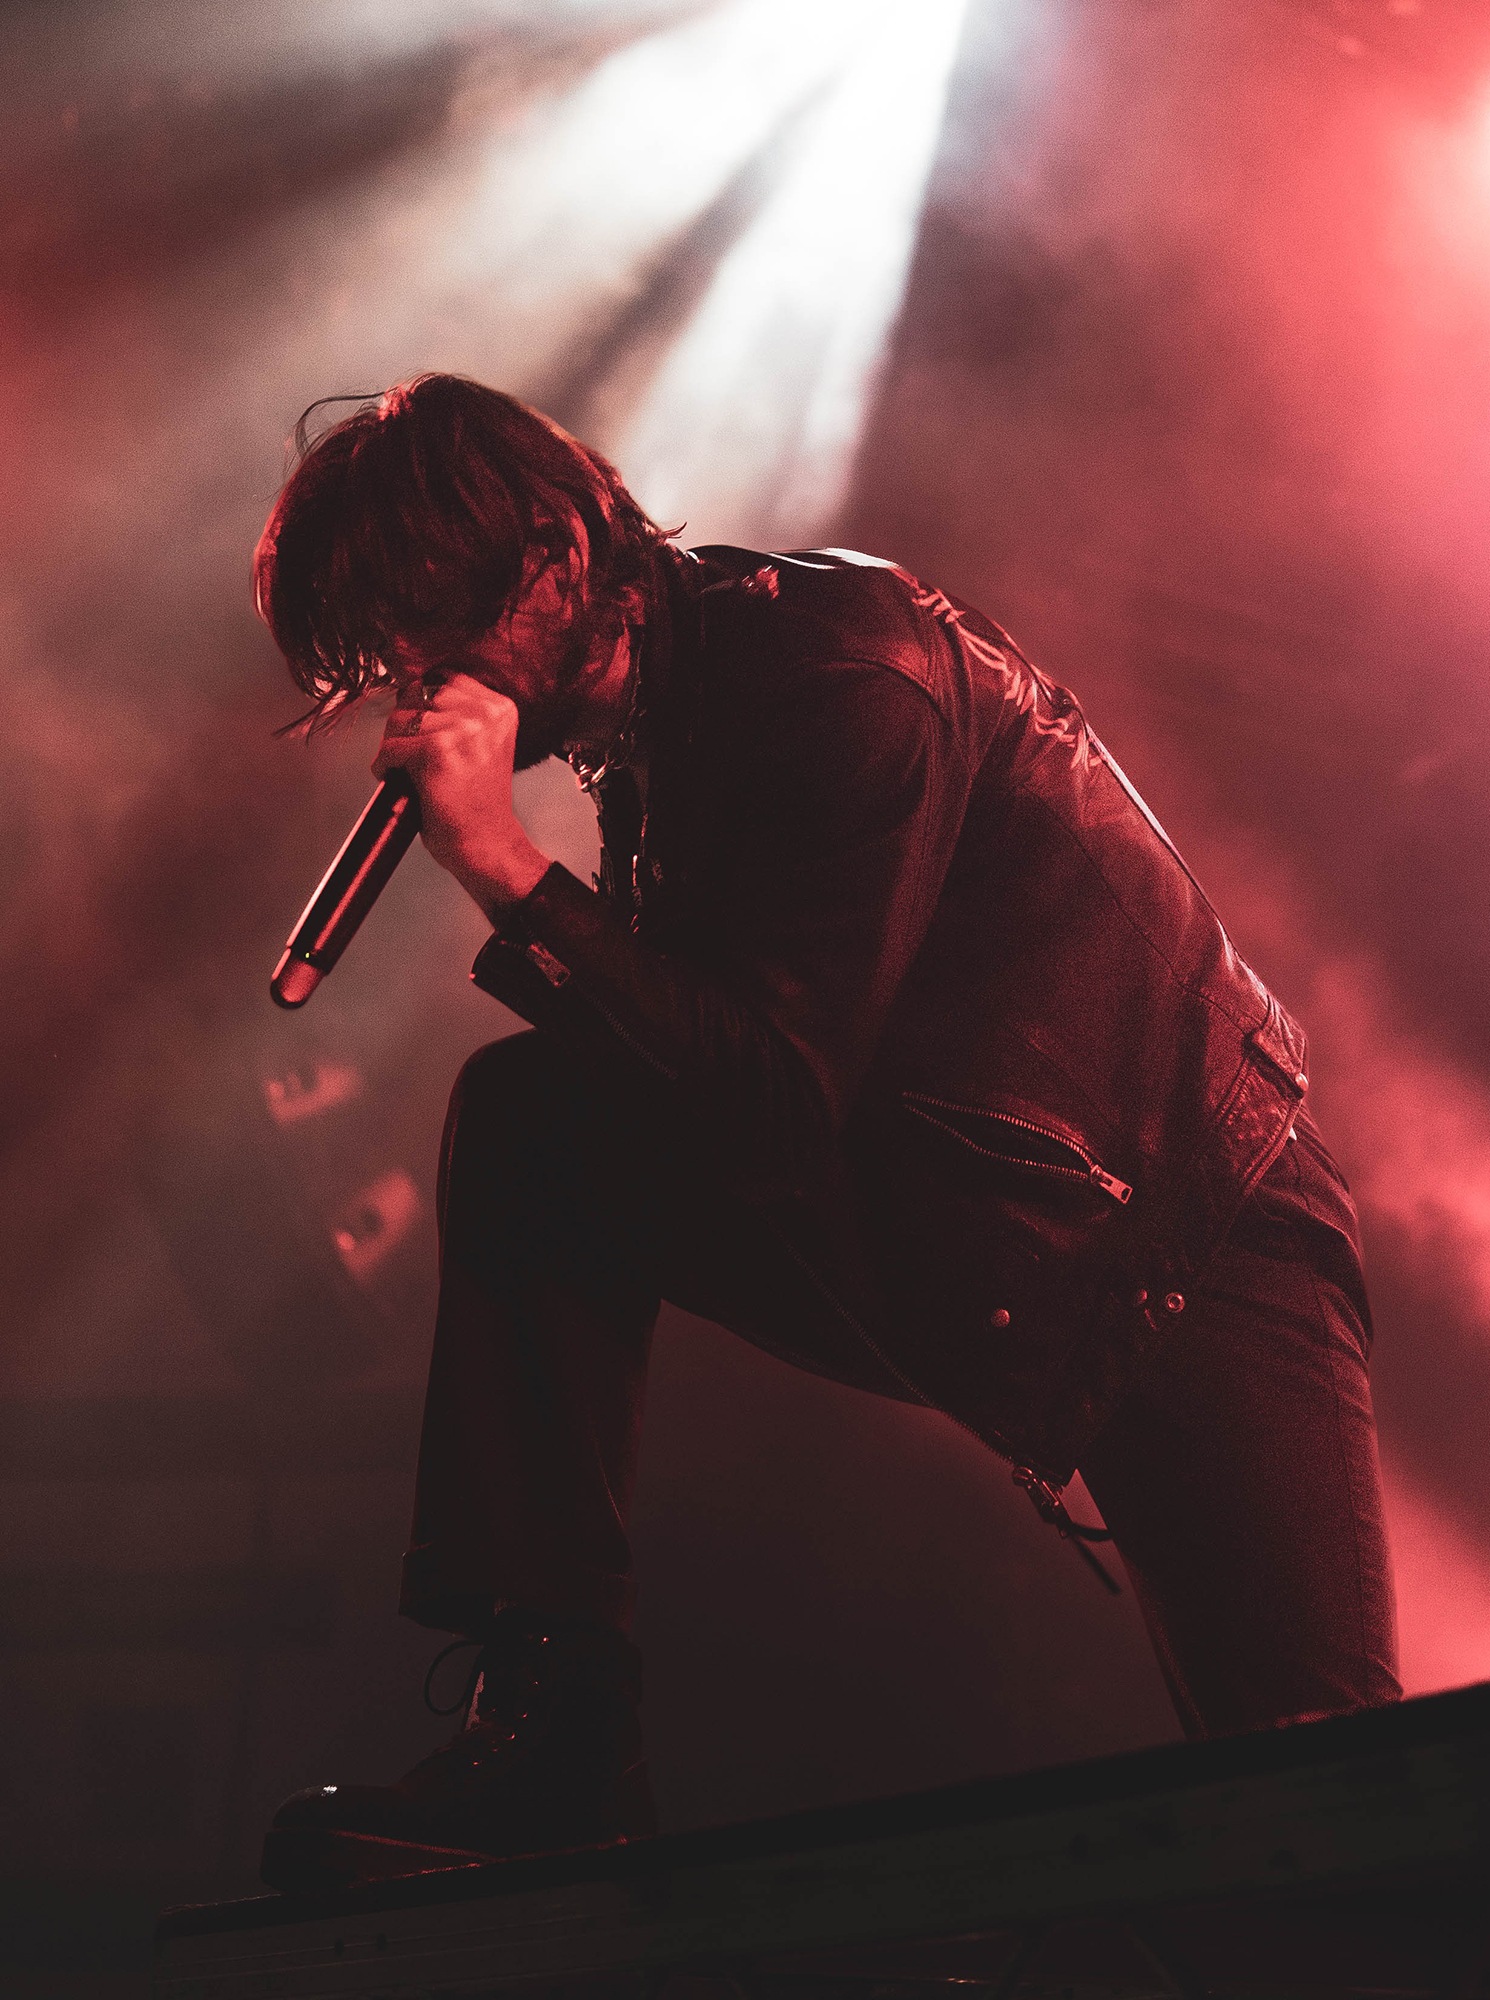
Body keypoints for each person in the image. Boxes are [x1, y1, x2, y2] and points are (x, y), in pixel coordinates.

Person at [251, 373, 1399, 1894]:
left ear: (556, 558)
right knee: (533, 1124)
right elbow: (716, 1095)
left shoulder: (844, 670)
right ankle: (558, 1734)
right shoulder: (652, 735)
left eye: (427, 630)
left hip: (1185, 1252)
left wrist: (510, 874)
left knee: (1335, 1809)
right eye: (386, 657)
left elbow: (772, 1107)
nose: (413, 689)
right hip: (975, 1243)